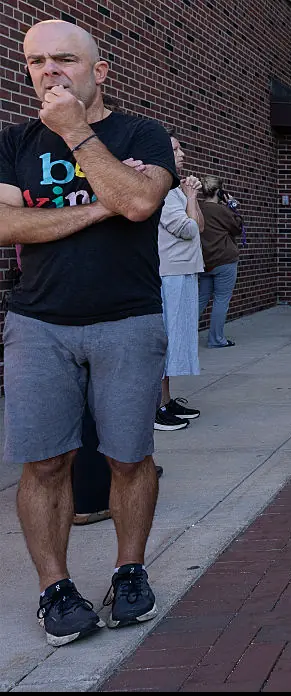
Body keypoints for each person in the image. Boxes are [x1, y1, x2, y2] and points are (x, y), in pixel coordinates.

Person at [0, 19, 175, 646]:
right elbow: (6, 226)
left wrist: (76, 133)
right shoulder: (13, 141)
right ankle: (56, 588)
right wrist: (105, 200)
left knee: (129, 458)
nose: (50, 71)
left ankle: (130, 572)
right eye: (37, 60)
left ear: (98, 71)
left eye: (65, 59)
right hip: (38, 323)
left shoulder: (143, 133)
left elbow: (141, 204)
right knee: (44, 461)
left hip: (128, 320)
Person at [156, 132, 204, 431]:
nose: (183, 153)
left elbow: (198, 225)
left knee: (175, 341)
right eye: (176, 149)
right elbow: (188, 229)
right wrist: (190, 198)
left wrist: (190, 198)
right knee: (166, 341)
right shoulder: (162, 189)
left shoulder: (176, 189)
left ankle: (166, 400)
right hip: (169, 275)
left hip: (182, 272)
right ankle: (156, 407)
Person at [197, 176, 243, 348]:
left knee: (201, 299)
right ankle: (216, 339)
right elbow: (237, 228)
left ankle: (183, 337)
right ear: (219, 191)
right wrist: (233, 206)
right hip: (224, 260)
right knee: (221, 300)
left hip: (204, 261)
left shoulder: (197, 208)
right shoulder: (223, 211)